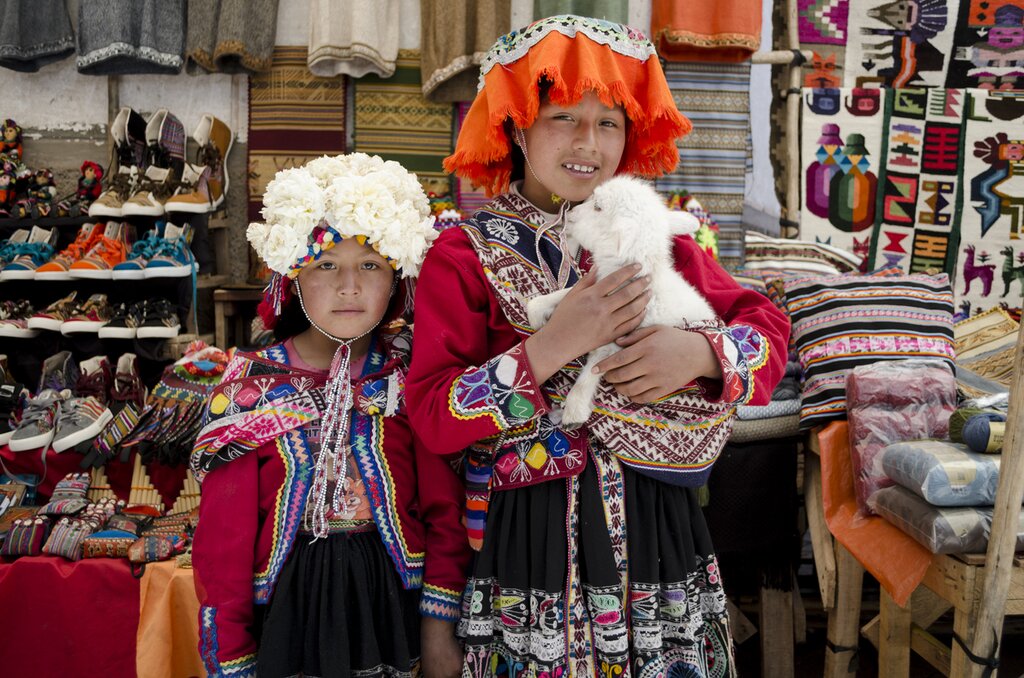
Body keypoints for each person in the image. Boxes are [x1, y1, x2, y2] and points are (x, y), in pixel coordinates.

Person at [405, 15, 791, 677]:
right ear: (518, 125)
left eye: (609, 122)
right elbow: (434, 418)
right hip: (526, 541)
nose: (590, 143)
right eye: (564, 118)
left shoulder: (656, 237)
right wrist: (550, 347)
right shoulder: (463, 255)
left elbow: (766, 327)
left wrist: (698, 355)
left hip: (657, 530)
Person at [191, 153, 471, 678]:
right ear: (292, 277)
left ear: (397, 279)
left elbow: (443, 512)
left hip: (391, 604)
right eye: (326, 265)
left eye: (370, 265)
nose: (350, 286)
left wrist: (439, 625)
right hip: (288, 609)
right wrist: (230, 655)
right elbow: (221, 544)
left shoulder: (410, 381)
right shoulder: (253, 385)